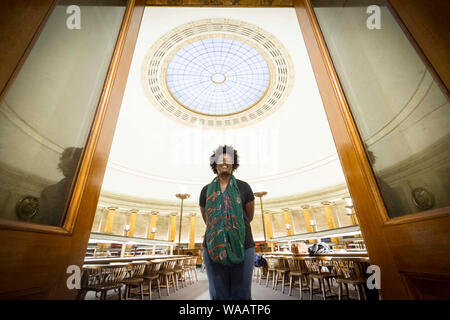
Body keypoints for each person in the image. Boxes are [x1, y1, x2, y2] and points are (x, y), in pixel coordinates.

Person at [199, 145, 255, 300]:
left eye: (229, 159)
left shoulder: (244, 187)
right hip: (212, 247)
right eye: (221, 159)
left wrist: (231, 227)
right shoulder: (205, 190)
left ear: (233, 164)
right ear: (214, 163)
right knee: (218, 293)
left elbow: (248, 217)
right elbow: (207, 220)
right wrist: (221, 228)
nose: (225, 162)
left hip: (244, 245)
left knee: (242, 293)